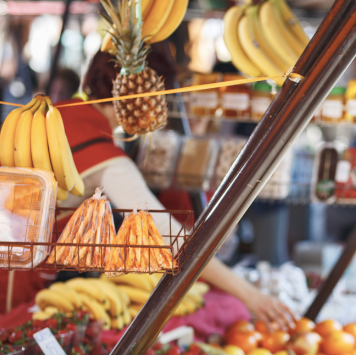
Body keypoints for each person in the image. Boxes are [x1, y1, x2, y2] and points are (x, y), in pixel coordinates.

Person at [58, 46, 296, 327]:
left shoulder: (58, 115)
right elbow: (173, 241)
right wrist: (251, 296)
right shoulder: (108, 161)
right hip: (21, 281)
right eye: (159, 100)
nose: (159, 114)